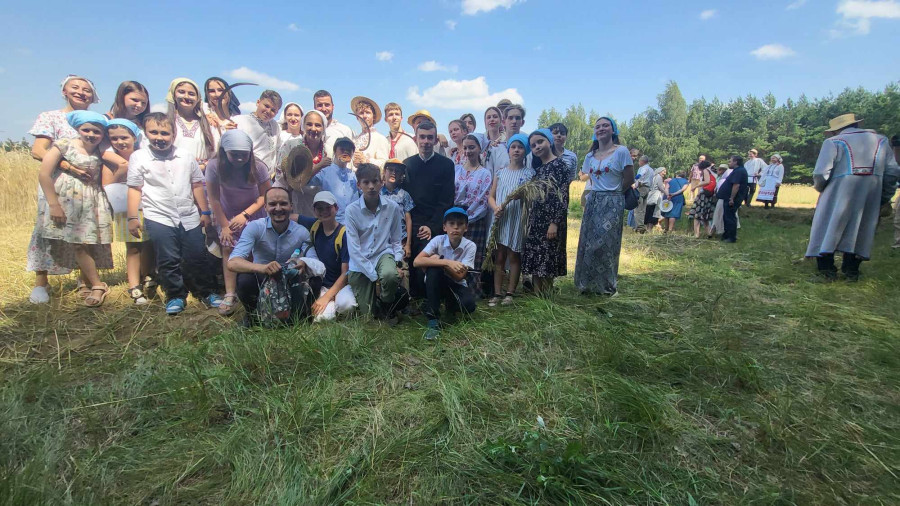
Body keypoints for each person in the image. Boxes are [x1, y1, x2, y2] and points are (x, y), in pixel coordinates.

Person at [126, 112, 222, 315]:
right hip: (159, 215)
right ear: (146, 133)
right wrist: (133, 217)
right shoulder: (139, 157)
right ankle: (175, 295)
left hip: (189, 215)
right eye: (154, 132)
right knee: (168, 258)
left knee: (197, 255)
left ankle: (206, 291)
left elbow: (197, 184)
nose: (159, 137)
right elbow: (135, 188)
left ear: (173, 134)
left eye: (164, 133)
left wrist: (205, 211)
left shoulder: (185, 156)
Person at [27, 74, 99, 303]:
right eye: (75, 87)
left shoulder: (95, 121)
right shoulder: (51, 117)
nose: (81, 92)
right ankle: (41, 283)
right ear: (64, 91)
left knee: (84, 234)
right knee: (48, 231)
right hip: (57, 184)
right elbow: (38, 150)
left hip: (87, 188)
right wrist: (69, 165)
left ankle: (84, 280)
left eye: (86, 90)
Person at [33, 111, 114, 307]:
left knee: (88, 242)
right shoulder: (64, 145)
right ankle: (98, 284)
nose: (91, 135)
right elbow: (44, 174)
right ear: (78, 129)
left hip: (91, 200)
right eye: (86, 130)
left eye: (97, 131)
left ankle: (87, 282)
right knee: (77, 243)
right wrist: (54, 204)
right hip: (67, 199)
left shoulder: (100, 150)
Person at [805, 114, 900, 280]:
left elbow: (821, 173)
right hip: (871, 193)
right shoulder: (881, 141)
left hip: (837, 192)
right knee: (861, 228)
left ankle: (826, 270)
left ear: (835, 131)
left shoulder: (833, 142)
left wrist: (822, 189)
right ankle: (852, 270)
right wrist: (883, 195)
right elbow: (892, 172)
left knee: (827, 226)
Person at [227, 187, 325, 326]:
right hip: (262, 278)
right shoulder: (255, 227)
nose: (278, 208)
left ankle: (300, 316)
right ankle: (254, 316)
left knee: (315, 279)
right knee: (244, 279)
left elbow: (317, 263)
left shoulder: (302, 232)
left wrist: (304, 262)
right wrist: (262, 268)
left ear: (291, 206)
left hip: (290, 280)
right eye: (273, 204)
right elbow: (232, 262)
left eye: (283, 203)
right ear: (265, 207)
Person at [206, 130, 271, 316]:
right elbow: (214, 198)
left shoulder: (258, 167)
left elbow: (265, 196)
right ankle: (230, 293)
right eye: (234, 154)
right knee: (228, 248)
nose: (240, 158)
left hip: (253, 212)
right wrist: (224, 226)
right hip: (227, 213)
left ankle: (255, 290)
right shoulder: (214, 166)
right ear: (224, 151)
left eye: (244, 154)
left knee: (254, 250)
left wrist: (245, 215)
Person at [574, 117, 634, 295]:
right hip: (593, 200)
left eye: (605, 125)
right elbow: (589, 178)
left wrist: (615, 194)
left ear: (613, 130)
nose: (601, 128)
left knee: (606, 244)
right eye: (598, 126)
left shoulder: (621, 151)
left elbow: (629, 178)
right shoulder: (590, 156)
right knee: (588, 242)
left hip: (613, 200)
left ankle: (607, 286)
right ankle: (586, 283)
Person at [102, 118, 156, 304]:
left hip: (148, 205)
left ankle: (146, 275)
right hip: (124, 208)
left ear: (134, 137)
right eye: (114, 138)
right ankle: (134, 285)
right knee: (133, 247)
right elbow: (107, 185)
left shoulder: (144, 155)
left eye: (124, 137)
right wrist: (121, 169)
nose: (120, 142)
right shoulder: (109, 161)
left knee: (148, 244)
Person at [345, 163, 408, 321]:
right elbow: (354, 250)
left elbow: (396, 240)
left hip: (382, 254)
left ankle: (387, 304)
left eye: (375, 181)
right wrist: (375, 277)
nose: (371, 186)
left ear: (381, 182)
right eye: (366, 182)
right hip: (360, 262)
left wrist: (397, 263)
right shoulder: (351, 210)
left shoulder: (392, 207)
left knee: (389, 275)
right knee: (369, 316)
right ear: (359, 185)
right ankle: (379, 302)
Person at [402, 121, 455, 298]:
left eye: (429, 137)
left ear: (435, 140)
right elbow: (405, 199)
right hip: (413, 222)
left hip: (436, 221)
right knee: (411, 259)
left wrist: (432, 226)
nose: (425, 141)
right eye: (422, 137)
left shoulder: (446, 165)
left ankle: (431, 298)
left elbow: (446, 200)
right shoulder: (407, 165)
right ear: (416, 139)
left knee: (430, 260)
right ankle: (414, 296)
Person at [413, 207, 478, 340]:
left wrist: (440, 262)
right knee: (433, 269)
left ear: (466, 228)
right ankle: (433, 319)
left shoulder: (470, 246)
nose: (456, 228)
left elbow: (460, 276)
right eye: (451, 224)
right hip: (436, 282)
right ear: (444, 227)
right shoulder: (438, 240)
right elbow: (416, 261)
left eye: (460, 224)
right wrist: (446, 262)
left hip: (456, 284)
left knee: (469, 305)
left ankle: (449, 306)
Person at [521, 128, 571, 295]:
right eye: (533, 145)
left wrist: (554, 223)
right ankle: (537, 295)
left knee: (548, 258)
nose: (537, 146)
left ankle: (547, 297)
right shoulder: (539, 170)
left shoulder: (560, 165)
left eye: (540, 142)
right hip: (537, 219)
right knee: (536, 258)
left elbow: (563, 196)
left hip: (551, 220)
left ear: (549, 141)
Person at [487, 133, 534, 306]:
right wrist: (495, 208)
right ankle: (497, 292)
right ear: (508, 150)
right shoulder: (500, 173)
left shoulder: (529, 174)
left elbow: (532, 198)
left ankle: (510, 292)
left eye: (520, 147)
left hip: (517, 219)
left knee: (514, 255)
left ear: (525, 151)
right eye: (513, 147)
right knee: (499, 256)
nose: (516, 150)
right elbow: (491, 196)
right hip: (501, 218)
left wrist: (523, 196)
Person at [295, 191, 357, 321]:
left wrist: (327, 297)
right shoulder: (315, 226)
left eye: (328, 207)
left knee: (347, 306)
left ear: (336, 208)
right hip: (321, 284)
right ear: (314, 211)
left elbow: (345, 273)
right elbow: (294, 217)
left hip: (342, 284)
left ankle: (335, 303)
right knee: (321, 319)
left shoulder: (344, 234)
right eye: (319, 208)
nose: (324, 212)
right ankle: (331, 307)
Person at [454, 134, 492, 293]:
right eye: (465, 147)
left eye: (472, 147)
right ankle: (454, 289)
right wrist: (456, 217)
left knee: (473, 255)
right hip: (455, 219)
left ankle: (472, 291)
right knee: (456, 253)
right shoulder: (456, 169)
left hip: (474, 220)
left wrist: (468, 217)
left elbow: (483, 199)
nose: (468, 151)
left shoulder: (485, 173)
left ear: (479, 148)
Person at [275, 110, 332, 216]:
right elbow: (284, 178)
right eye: (309, 124)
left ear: (323, 128)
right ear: (303, 126)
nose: (313, 129)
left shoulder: (329, 151)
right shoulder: (291, 146)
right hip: (294, 202)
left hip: (321, 206)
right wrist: (317, 167)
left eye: (318, 125)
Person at [307, 137, 360, 224]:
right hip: (333, 223)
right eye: (342, 149)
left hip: (353, 222)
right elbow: (305, 182)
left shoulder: (354, 175)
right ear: (335, 152)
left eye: (349, 150)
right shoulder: (325, 171)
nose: (345, 152)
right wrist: (318, 166)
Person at [166, 78, 216, 168]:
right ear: (173, 95)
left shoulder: (208, 124)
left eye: (191, 94)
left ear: (198, 98)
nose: (186, 97)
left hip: (201, 173)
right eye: (181, 92)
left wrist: (203, 165)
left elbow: (215, 154)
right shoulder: (165, 122)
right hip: (171, 172)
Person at [233, 90, 283, 176]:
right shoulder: (239, 121)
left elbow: (277, 150)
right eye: (266, 106)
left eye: (273, 110)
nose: (268, 111)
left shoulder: (275, 126)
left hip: (267, 178)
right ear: (258, 102)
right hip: (245, 176)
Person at [381, 159, 415, 260]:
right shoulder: (377, 194)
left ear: (401, 175)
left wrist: (408, 244)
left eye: (397, 171)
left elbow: (408, 220)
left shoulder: (404, 195)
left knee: (401, 267)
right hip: (382, 240)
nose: (394, 173)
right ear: (384, 171)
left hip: (400, 240)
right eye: (390, 170)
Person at [348, 96, 389, 169]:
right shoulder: (354, 140)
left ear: (374, 116)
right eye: (361, 113)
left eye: (368, 112)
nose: (364, 116)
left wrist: (366, 161)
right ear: (357, 117)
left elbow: (384, 164)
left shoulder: (380, 139)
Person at [717, 155, 749, 243]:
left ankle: (731, 237)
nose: (729, 163)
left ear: (736, 162)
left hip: (732, 199)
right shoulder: (737, 170)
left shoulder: (739, 171)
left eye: (730, 161)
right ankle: (726, 235)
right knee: (727, 216)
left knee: (730, 217)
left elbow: (736, 185)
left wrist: (732, 198)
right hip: (728, 198)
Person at [314, 90, 354, 156]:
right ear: (314, 108)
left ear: (333, 107)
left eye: (327, 105)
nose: (323, 109)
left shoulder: (345, 131)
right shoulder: (309, 132)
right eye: (320, 105)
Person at [688, 161, 715, 238]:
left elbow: (707, 181)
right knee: (705, 216)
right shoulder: (712, 171)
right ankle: (709, 233)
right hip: (710, 195)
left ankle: (696, 234)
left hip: (703, 195)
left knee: (697, 214)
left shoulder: (705, 170)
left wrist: (696, 186)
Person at [632, 155, 654, 232]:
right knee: (643, 208)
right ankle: (641, 224)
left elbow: (640, 175)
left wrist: (634, 179)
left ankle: (640, 227)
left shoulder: (643, 168)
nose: (638, 163)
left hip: (641, 187)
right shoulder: (651, 169)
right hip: (647, 188)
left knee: (638, 208)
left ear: (642, 161)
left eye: (639, 161)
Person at [482, 106, 505, 173]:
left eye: (495, 117)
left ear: (501, 121)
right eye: (489, 117)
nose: (492, 119)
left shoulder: (507, 140)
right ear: (485, 122)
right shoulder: (480, 142)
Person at [645, 167, 668, 231]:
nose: (665, 173)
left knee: (648, 212)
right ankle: (650, 229)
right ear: (660, 171)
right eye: (664, 171)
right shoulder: (659, 177)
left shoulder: (653, 176)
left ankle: (647, 228)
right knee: (654, 213)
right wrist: (667, 193)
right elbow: (661, 188)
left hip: (650, 196)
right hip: (656, 196)